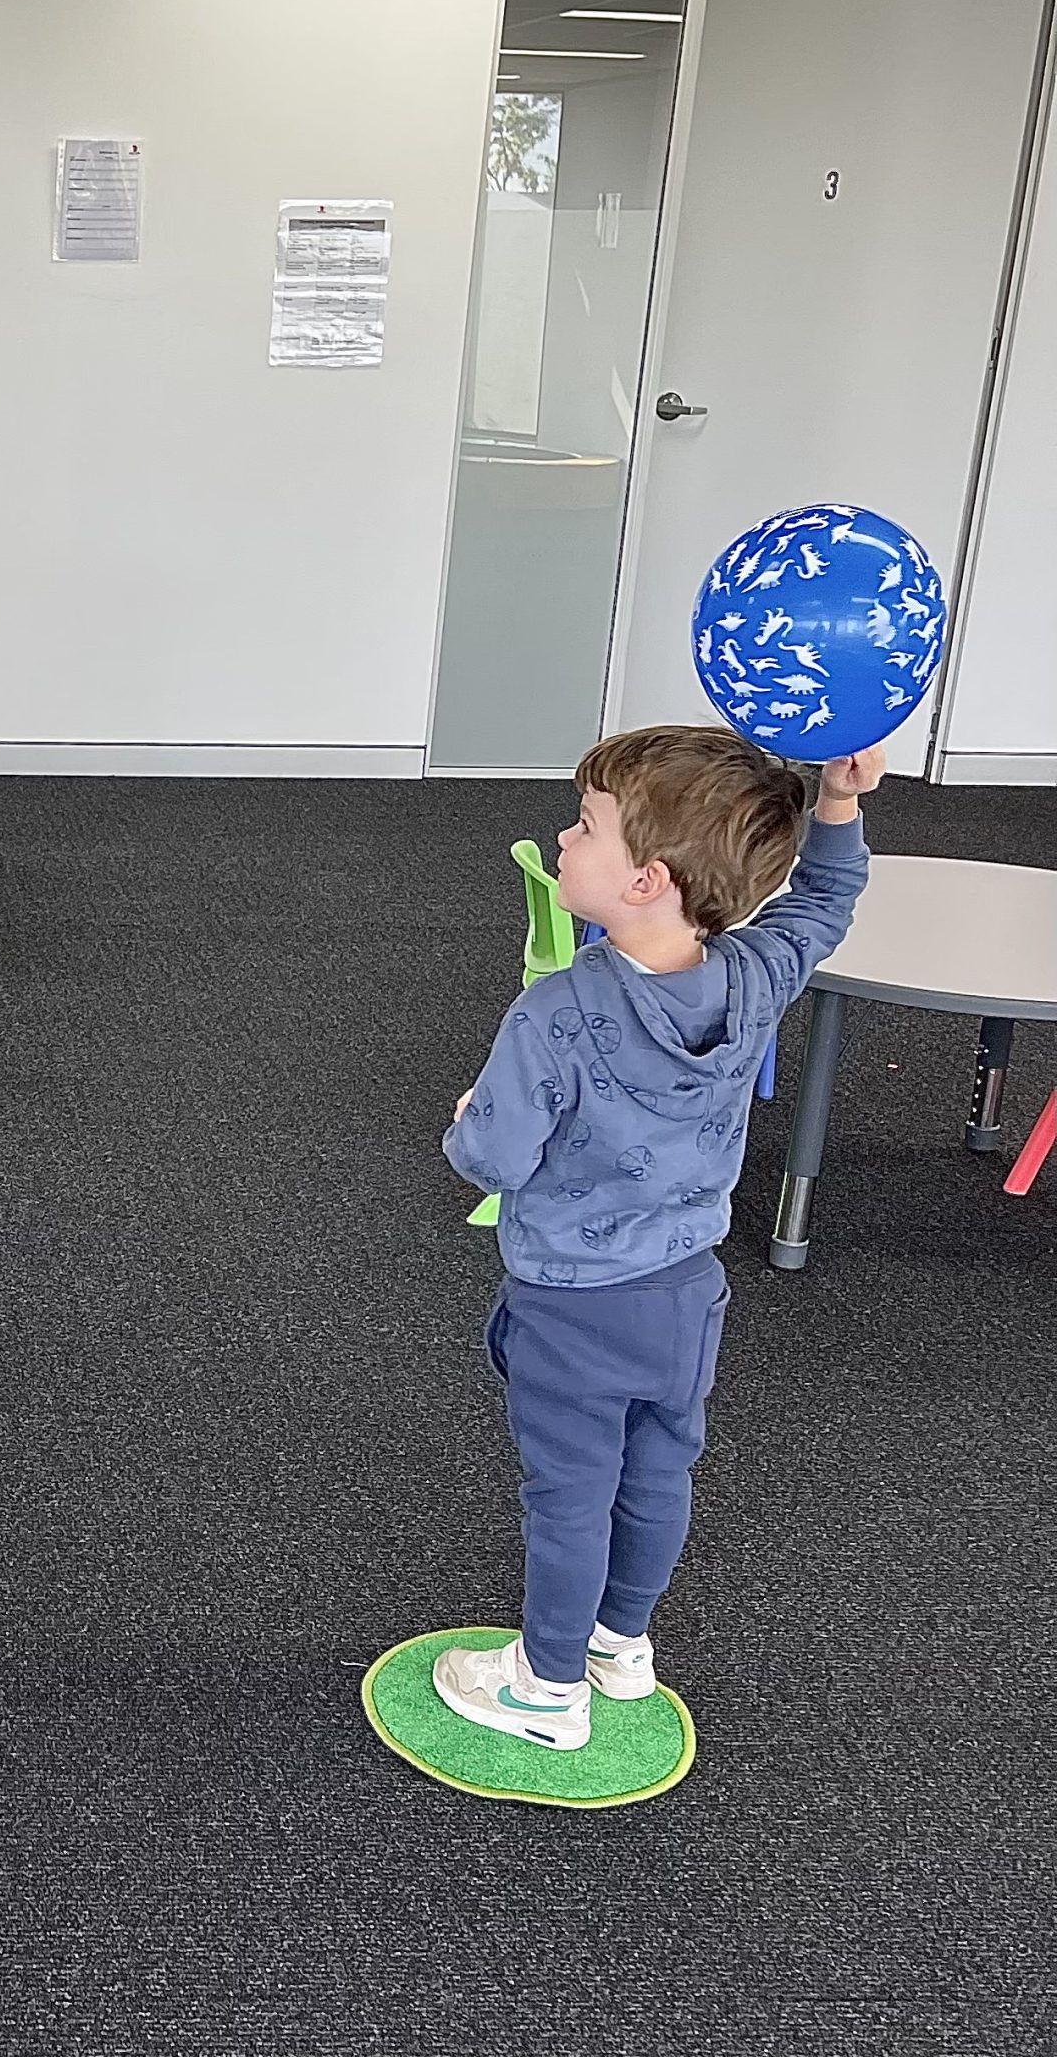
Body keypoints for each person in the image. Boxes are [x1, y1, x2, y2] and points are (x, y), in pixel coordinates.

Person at [437, 727, 884, 1748]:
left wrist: (467, 1117)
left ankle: (546, 1688)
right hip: (686, 1292)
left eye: (584, 824)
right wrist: (839, 808)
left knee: (568, 1495)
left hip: (570, 1303)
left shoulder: (552, 1014)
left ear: (644, 878)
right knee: (656, 1473)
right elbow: (821, 906)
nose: (563, 832)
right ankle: (618, 1644)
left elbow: (491, 1160)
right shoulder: (753, 975)